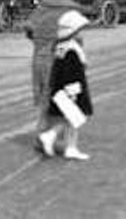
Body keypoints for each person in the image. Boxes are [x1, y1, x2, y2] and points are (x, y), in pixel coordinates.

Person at [37, 10, 93, 161]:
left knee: (72, 118)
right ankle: (53, 137)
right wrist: (72, 90)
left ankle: (69, 146)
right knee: (74, 117)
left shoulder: (61, 46)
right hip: (71, 88)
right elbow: (71, 71)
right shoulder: (71, 49)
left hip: (61, 87)